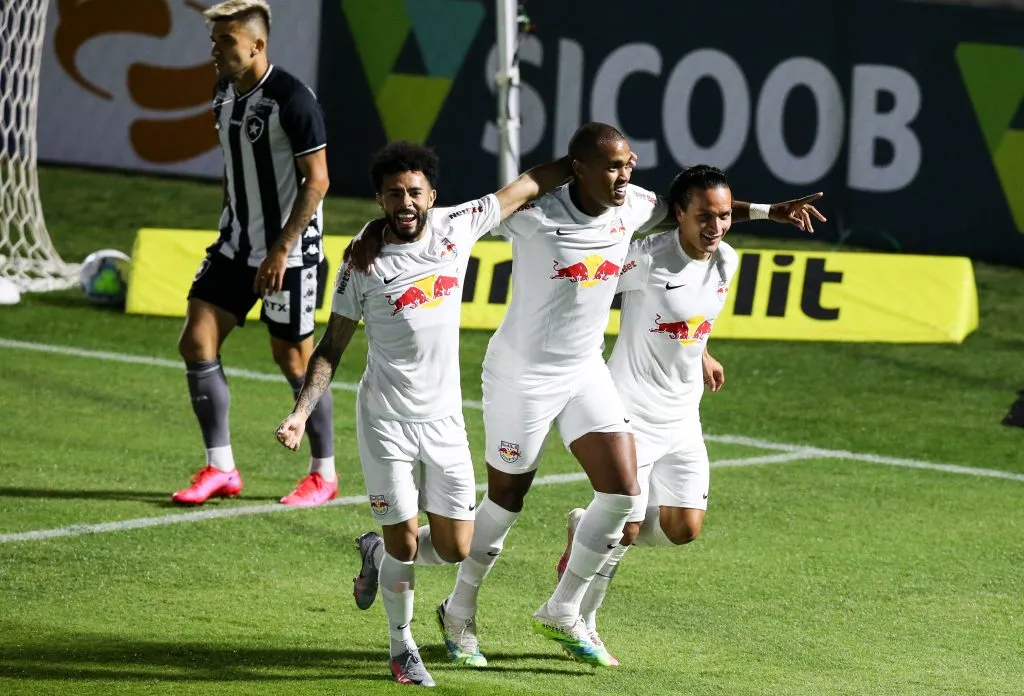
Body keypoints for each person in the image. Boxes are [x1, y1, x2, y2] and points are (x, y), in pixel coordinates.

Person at [275, 141, 572, 687]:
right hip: (385, 419)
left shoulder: (456, 227)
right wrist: (300, 414)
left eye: (414, 192)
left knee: (458, 545)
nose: (405, 202)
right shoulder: (361, 262)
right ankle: (401, 646)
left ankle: (375, 552)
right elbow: (331, 347)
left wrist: (580, 164)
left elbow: (526, 185)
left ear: (431, 196)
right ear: (380, 199)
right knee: (405, 544)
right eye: (394, 194)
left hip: (444, 421)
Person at [554, 164, 826, 666]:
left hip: (683, 418)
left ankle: (585, 527)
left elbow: (691, 319)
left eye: (724, 217)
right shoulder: (644, 259)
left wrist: (700, 352)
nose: (716, 227)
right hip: (628, 412)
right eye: (704, 217)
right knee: (627, 528)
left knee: (683, 527)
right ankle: (579, 620)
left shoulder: (727, 261)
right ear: (677, 214)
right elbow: (584, 289)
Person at [173, 0, 337, 507]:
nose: (215, 51)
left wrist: (281, 249)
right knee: (196, 342)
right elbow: (234, 165)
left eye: (226, 41)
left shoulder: (293, 99)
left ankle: (323, 474)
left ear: (256, 45)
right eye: (214, 41)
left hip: (290, 254)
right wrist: (231, 225)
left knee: (293, 358)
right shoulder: (222, 92)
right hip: (233, 245)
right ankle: (221, 467)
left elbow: (319, 181)